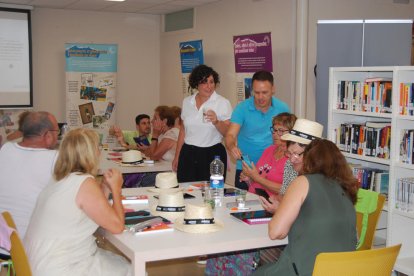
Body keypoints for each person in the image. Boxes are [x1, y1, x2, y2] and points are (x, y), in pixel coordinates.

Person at [24, 128, 131, 276]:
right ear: (90, 154)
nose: (99, 152)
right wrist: (116, 189)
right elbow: (117, 226)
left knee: (118, 261)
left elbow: (90, 207)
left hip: (38, 262)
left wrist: (105, 187)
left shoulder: (60, 179)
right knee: (131, 269)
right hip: (60, 267)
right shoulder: (85, 182)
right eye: (97, 148)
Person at [254, 139, 359, 276]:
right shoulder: (345, 189)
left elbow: (276, 232)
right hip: (342, 271)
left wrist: (281, 211)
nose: (293, 159)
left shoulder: (302, 182)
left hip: (306, 270)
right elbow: (354, 236)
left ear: (310, 158)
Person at [225, 70, 290, 190]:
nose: (260, 97)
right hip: (246, 168)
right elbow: (230, 135)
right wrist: (231, 146)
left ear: (273, 89)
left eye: (265, 92)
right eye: (257, 92)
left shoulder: (282, 108)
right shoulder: (242, 108)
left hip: (272, 169)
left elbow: (290, 136)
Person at [0, 111, 59, 237]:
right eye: (57, 132)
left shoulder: (5, 149)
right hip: (26, 248)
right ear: (47, 135)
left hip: (3, 245)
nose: (57, 136)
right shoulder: (56, 159)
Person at [173, 64, 232, 182]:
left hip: (212, 153)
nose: (209, 86)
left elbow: (228, 133)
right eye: (204, 82)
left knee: (209, 193)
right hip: (188, 153)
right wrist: (177, 156)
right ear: (196, 84)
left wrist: (216, 122)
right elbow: (183, 131)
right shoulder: (187, 102)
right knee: (186, 191)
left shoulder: (222, 102)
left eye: (211, 82)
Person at [259, 119, 324, 214]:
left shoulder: (322, 175)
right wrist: (277, 200)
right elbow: (285, 194)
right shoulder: (290, 164)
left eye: (297, 154)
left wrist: (280, 210)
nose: (292, 159)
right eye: (289, 153)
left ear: (313, 154)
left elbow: (313, 212)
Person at [241, 113, 297, 196]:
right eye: (274, 130)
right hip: (253, 199)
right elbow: (257, 180)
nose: (275, 133)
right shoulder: (269, 150)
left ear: (292, 133)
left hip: (273, 205)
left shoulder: (294, 157)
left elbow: (287, 190)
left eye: (281, 131)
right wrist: (249, 178)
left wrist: (257, 178)